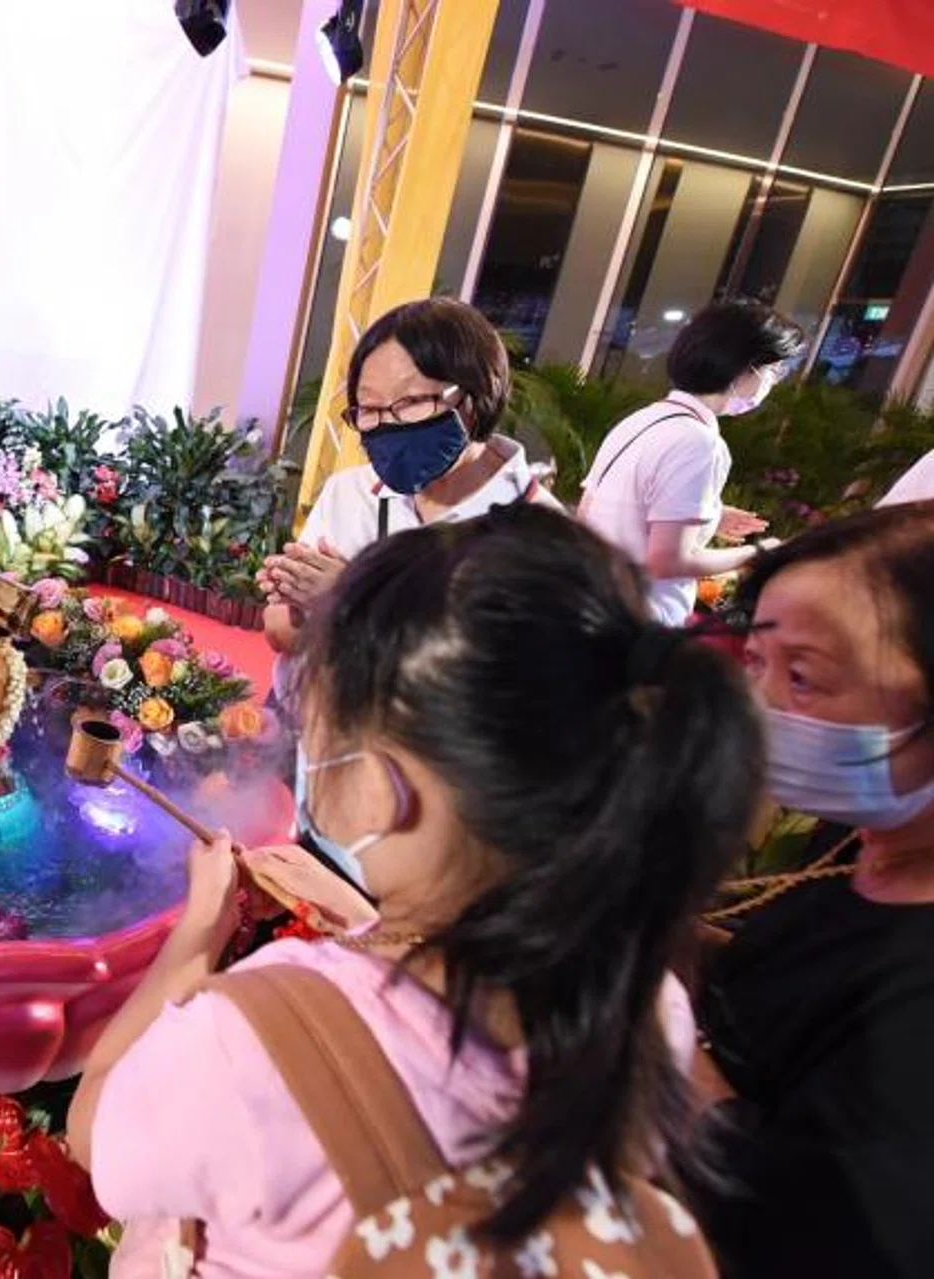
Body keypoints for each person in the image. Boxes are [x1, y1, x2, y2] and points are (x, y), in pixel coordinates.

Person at [71, 504, 762, 1276]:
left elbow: (94, 1135)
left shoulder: (257, 1034)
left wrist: (195, 936)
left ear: (380, 787)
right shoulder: (644, 997)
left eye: (318, 722)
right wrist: (367, 923)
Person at [691, 503, 934, 1277]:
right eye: (757, 663)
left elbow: (827, 1235)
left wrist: (673, 1080)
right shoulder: (860, 835)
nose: (758, 706)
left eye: (805, 676)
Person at [257, 298, 558, 703]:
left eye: (412, 402)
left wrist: (352, 598)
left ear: (475, 394)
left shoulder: (543, 537)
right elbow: (279, 631)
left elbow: (499, 692)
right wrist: (297, 605)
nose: (387, 424)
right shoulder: (350, 492)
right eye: (368, 408)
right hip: (306, 735)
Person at [578, 300, 804, 626]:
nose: (773, 382)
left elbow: (595, 509)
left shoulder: (643, 419)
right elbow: (669, 561)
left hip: (596, 603)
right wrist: (761, 553)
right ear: (746, 368)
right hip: (642, 620)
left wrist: (711, 512)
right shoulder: (699, 442)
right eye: (773, 371)